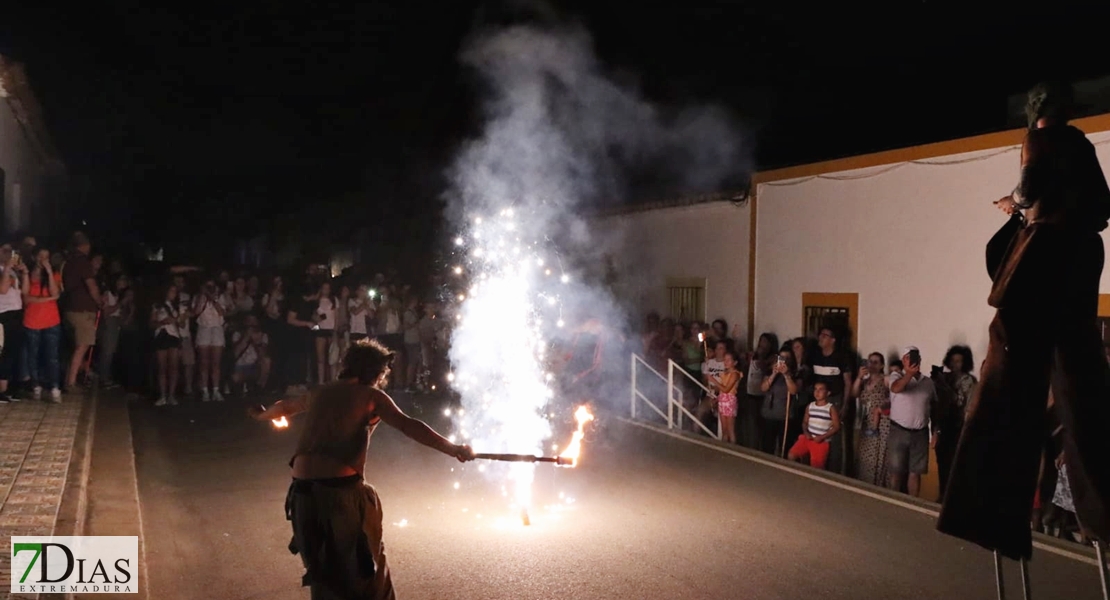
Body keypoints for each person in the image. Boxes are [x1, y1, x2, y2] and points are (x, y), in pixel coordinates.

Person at [938, 81, 1110, 559]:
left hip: (1048, 252)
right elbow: (1102, 205)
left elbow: (1031, 187)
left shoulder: (1041, 139)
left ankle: (986, 509)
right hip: (1083, 257)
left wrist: (1015, 205)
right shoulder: (1081, 144)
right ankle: (1104, 510)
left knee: (1008, 370)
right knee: (1080, 377)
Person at [249, 338, 474, 599]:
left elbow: (285, 407)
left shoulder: (320, 391)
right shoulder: (372, 396)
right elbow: (408, 425)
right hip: (339, 495)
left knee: (323, 575)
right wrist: (453, 448)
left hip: (302, 495)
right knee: (368, 572)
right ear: (377, 373)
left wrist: (262, 415)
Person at [708, 350, 742, 444]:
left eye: (728, 360)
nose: (726, 362)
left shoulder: (735, 374)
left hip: (730, 402)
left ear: (735, 362)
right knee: (724, 430)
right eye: (725, 360)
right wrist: (717, 399)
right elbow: (722, 390)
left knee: (730, 430)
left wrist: (714, 381)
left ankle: (733, 450)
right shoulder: (725, 373)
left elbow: (726, 389)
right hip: (722, 401)